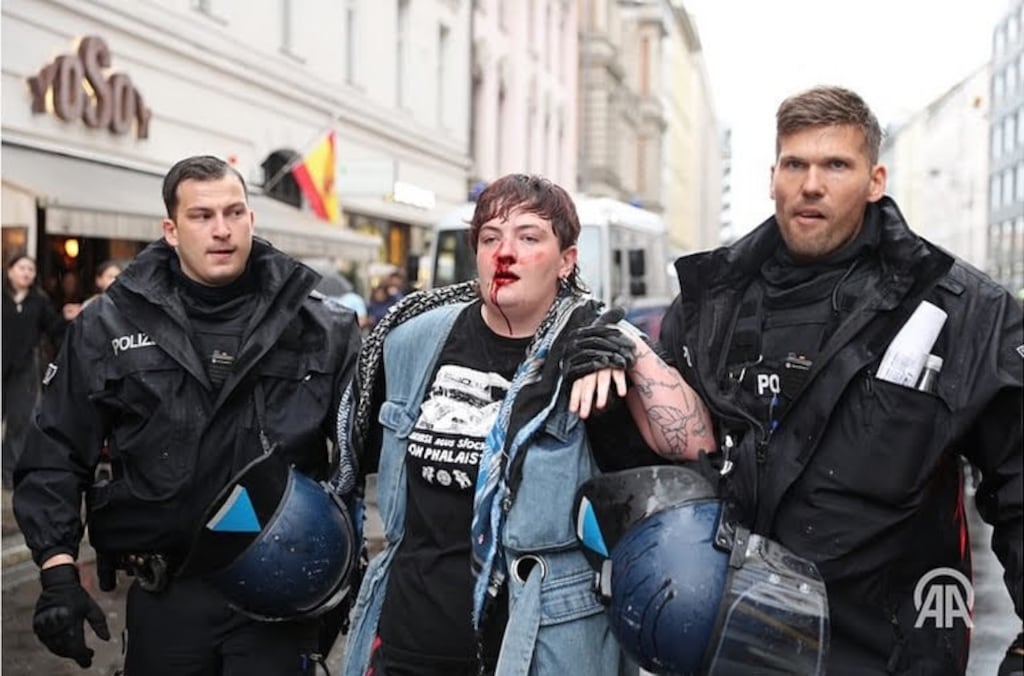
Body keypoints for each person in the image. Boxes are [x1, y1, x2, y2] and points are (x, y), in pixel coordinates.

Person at [658, 85, 1023, 675]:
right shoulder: (712, 305)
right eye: (795, 163)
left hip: (886, 655)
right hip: (730, 652)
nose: (811, 183)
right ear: (772, 176)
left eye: (836, 165)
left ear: (875, 180)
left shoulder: (960, 311)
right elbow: (659, 463)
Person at [339, 173, 715, 676]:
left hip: (535, 651)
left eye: (529, 237)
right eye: (490, 237)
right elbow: (355, 457)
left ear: (566, 260)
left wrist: (631, 349)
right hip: (410, 643)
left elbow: (695, 442)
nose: (505, 252)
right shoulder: (413, 338)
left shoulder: (595, 349)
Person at [12, 155, 362, 674]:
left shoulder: (320, 327)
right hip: (167, 595)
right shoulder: (108, 325)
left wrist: (348, 574)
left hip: (279, 596)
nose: (221, 230)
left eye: (234, 212)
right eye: (201, 216)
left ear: (251, 219)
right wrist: (58, 570)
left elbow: (362, 457)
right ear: (171, 230)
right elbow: (56, 450)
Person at [1, 253, 78, 488]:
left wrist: (67, 319)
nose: (26, 273)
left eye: (31, 270)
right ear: (10, 270)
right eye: (22, 268)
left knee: (19, 423)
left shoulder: (39, 301)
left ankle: (8, 474)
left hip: (24, 370)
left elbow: (55, 330)